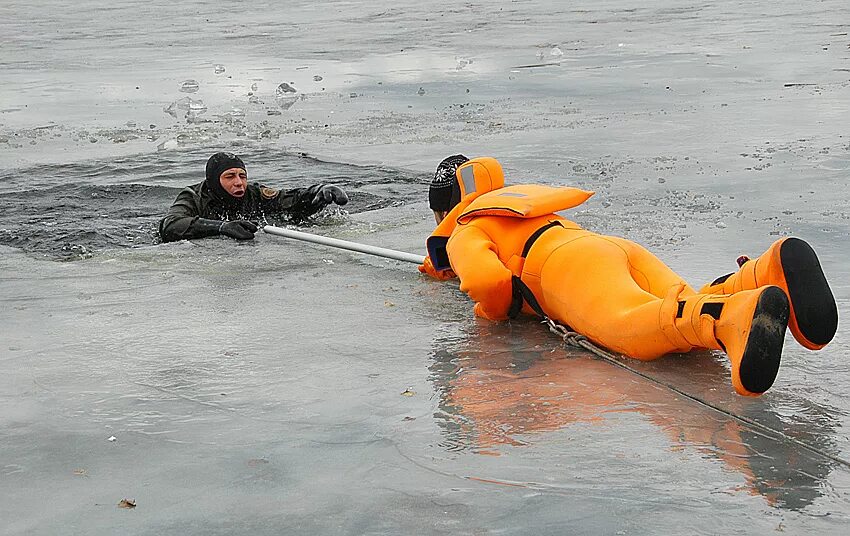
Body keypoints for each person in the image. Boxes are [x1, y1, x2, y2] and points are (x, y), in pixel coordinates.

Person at [419, 155, 838, 396]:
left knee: (634, 325)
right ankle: (766, 271)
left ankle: (733, 315)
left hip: (565, 271)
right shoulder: (518, 205)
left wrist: (498, 313)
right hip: (608, 246)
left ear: (446, 209)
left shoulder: (466, 227)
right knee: (676, 298)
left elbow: (487, 282)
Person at [159, 152, 349, 242]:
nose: (239, 183)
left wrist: (319, 191)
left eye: (242, 176)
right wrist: (222, 227)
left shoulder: (254, 193)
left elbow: (289, 201)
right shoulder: (192, 196)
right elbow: (170, 225)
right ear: (214, 181)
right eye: (230, 176)